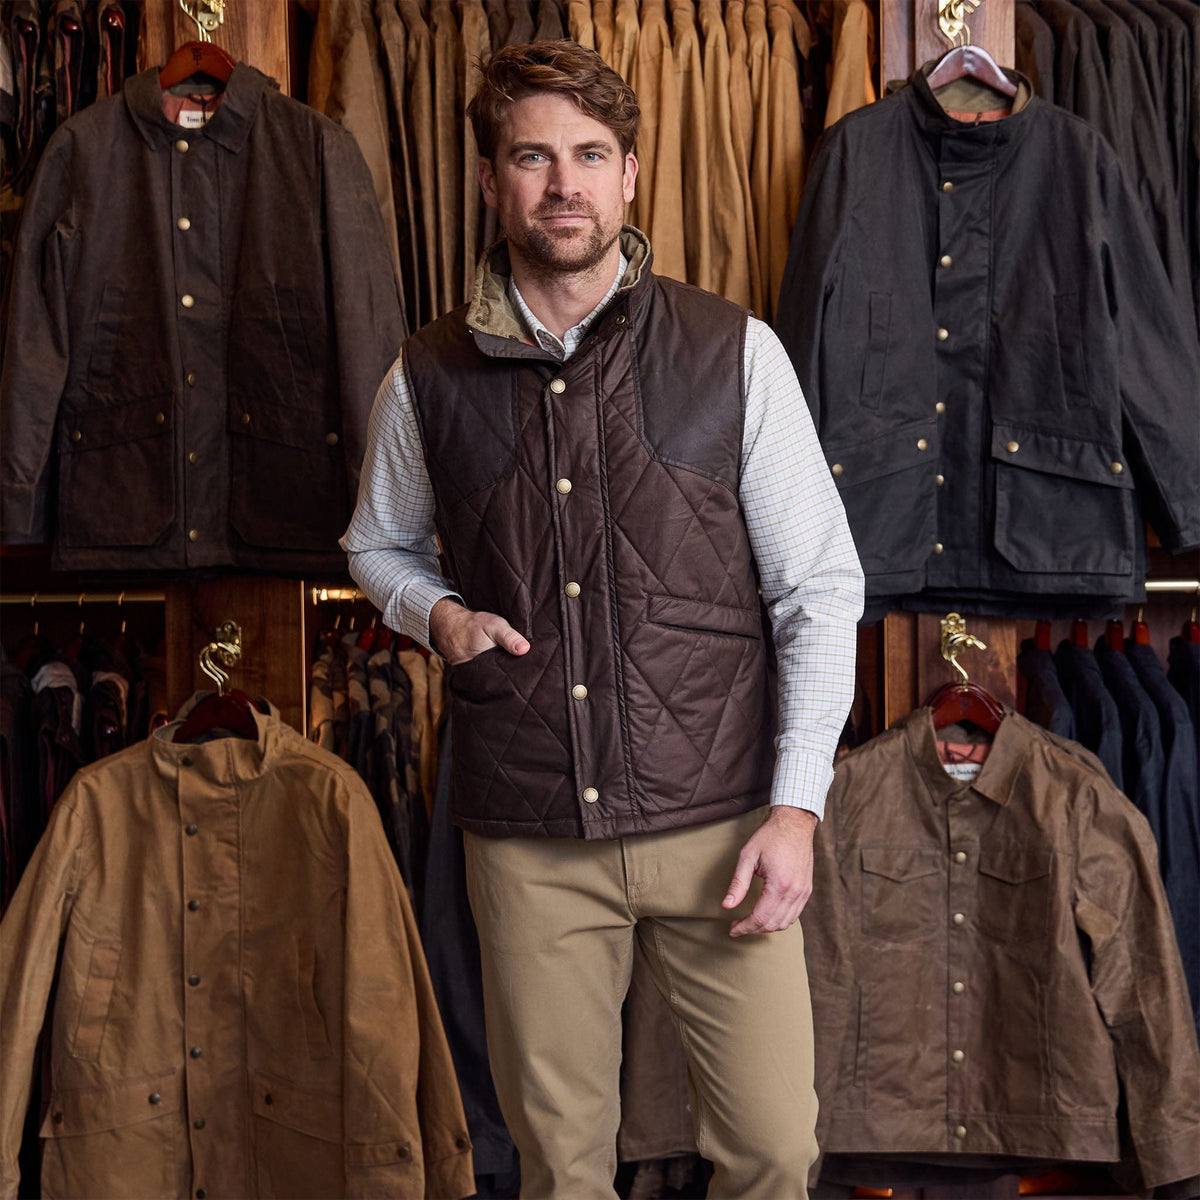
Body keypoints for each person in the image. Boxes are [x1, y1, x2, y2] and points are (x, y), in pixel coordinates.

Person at [342, 39, 863, 1200]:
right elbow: (372, 547)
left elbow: (820, 587)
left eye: (589, 155)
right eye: (533, 156)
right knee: (560, 1165)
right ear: (492, 182)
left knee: (775, 1150)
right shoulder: (423, 377)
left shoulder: (735, 352)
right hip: (528, 835)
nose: (563, 183)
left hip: (721, 825)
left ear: (631, 177)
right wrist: (438, 618)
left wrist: (796, 810)